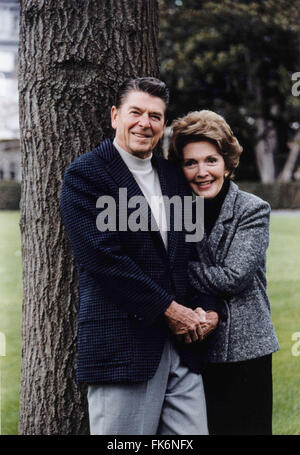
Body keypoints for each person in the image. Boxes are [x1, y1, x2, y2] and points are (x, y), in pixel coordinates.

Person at [60, 78, 219, 435]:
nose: (145, 123)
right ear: (115, 116)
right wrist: (170, 310)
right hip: (123, 346)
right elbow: (103, 260)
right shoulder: (85, 174)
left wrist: (208, 310)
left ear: (164, 125)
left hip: (183, 349)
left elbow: (193, 252)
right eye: (136, 112)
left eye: (155, 116)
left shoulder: (173, 177)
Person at [168, 109, 280, 435]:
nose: (202, 172)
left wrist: (171, 270)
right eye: (191, 163)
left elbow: (234, 277)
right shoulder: (178, 209)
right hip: (194, 349)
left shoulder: (252, 209)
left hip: (246, 351)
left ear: (227, 163)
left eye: (211, 160)